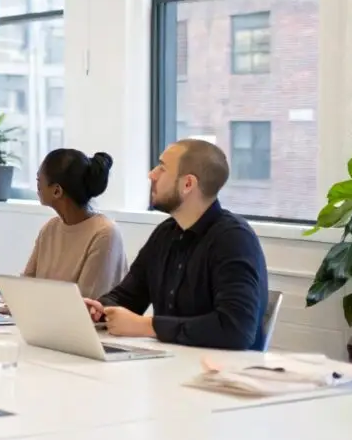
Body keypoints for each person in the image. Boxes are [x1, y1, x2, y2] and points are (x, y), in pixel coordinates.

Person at [84, 139, 269, 350]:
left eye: (162, 168)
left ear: (188, 184)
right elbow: (128, 296)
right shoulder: (165, 233)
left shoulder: (234, 239)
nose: (151, 174)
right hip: (172, 361)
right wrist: (99, 309)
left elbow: (236, 329)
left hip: (221, 367)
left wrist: (148, 326)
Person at [0, 149, 126, 299]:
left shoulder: (104, 234)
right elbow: (26, 284)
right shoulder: (51, 228)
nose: (37, 188)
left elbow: (87, 304)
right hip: (48, 322)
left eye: (38, 181)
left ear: (57, 191)